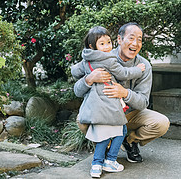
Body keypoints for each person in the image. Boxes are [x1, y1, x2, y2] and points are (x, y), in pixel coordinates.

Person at [73, 22, 170, 165]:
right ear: (119, 40)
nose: (135, 43)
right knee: (82, 120)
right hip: (105, 111)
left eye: (139, 39)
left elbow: (143, 102)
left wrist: (124, 93)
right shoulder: (100, 57)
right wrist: (89, 79)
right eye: (131, 38)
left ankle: (129, 141)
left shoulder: (144, 66)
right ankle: (105, 144)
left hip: (130, 113)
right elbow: (77, 91)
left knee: (161, 123)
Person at [71, 26, 146, 178]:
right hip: (108, 104)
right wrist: (139, 70)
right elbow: (124, 74)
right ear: (92, 46)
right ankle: (104, 161)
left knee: (108, 132)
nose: (107, 47)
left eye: (108, 43)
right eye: (102, 44)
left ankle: (100, 164)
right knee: (111, 133)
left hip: (94, 105)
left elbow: (74, 71)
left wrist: (87, 72)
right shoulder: (109, 60)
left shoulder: (87, 59)